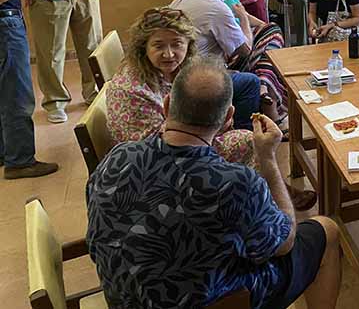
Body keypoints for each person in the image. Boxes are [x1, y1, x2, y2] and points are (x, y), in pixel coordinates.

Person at [87, 59, 340, 308]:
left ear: (166, 106)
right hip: (216, 300)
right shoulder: (234, 183)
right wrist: (267, 158)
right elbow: (285, 242)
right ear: (229, 116)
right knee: (326, 229)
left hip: (124, 298)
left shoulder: (116, 157)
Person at [106, 7, 257, 166]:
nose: (169, 54)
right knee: (249, 142)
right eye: (159, 46)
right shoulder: (131, 89)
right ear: (143, 48)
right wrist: (215, 126)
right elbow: (159, 145)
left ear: (188, 45)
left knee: (243, 90)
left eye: (177, 44)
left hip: (179, 140)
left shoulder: (178, 69)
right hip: (158, 160)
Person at [0, 0, 73, 179]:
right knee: (17, 95)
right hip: (5, 26)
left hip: (9, 19)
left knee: (5, 93)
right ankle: (20, 161)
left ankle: (7, 153)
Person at [170, 0, 289, 126]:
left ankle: (265, 90)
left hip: (189, 62)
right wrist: (244, 19)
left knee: (269, 34)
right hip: (202, 73)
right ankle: (246, 129)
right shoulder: (216, 7)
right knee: (253, 76)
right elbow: (245, 50)